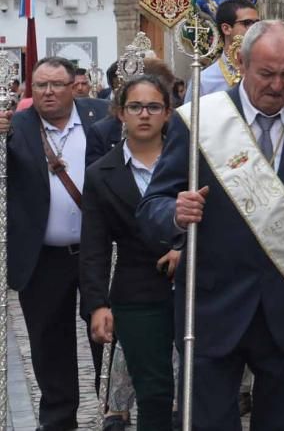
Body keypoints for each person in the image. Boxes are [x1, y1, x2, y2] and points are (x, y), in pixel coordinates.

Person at [137, 20, 284, 429]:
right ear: (241, 64)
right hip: (211, 305)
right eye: (266, 74)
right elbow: (152, 205)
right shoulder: (201, 123)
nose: (277, 85)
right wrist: (175, 212)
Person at [3, 56, 109, 431]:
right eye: (40, 85)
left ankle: (112, 406)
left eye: (56, 85)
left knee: (106, 333)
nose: (48, 92)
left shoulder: (101, 116)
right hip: (43, 257)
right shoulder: (14, 127)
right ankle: (58, 419)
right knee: (50, 343)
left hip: (97, 252)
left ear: (74, 86)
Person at [81, 74, 181, 431]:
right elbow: (93, 246)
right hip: (137, 292)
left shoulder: (191, 162)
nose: (144, 115)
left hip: (196, 287)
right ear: (120, 113)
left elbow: (217, 220)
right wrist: (97, 305)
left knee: (200, 385)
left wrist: (183, 249)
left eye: (153, 107)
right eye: (135, 107)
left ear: (167, 113)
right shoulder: (100, 174)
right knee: (154, 389)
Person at [183, 0, 259, 102]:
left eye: (257, 23)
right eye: (247, 23)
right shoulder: (203, 81)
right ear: (226, 28)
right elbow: (188, 117)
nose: (254, 29)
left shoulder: (266, 73)